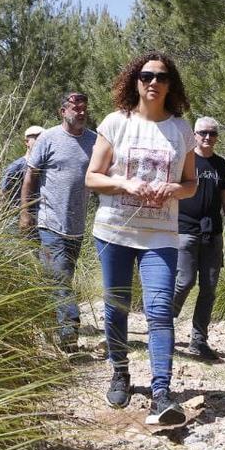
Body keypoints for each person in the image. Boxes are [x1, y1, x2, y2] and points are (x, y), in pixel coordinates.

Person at [86, 53, 197, 426]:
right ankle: (120, 371)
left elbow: (191, 184)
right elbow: (92, 177)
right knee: (116, 307)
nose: (153, 82)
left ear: (171, 84)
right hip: (114, 232)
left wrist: (172, 189)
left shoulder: (182, 131)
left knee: (160, 310)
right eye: (146, 75)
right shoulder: (116, 123)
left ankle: (162, 393)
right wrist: (123, 182)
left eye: (161, 77)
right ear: (135, 80)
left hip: (161, 236)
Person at [21, 94, 95, 352]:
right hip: (49, 223)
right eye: (75, 108)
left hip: (77, 227)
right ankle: (69, 335)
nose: (81, 112)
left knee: (60, 281)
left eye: (84, 108)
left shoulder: (93, 141)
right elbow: (30, 176)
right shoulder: (48, 138)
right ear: (62, 111)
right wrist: (25, 212)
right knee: (59, 280)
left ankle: (52, 332)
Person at [171, 116, 225, 361]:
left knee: (209, 288)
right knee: (185, 281)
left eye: (212, 133)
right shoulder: (185, 159)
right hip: (185, 231)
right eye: (202, 133)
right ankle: (164, 327)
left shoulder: (221, 165)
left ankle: (199, 340)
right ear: (194, 135)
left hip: (213, 234)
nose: (207, 137)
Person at [1, 124, 45, 211]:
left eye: (44, 139)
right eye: (37, 139)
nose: (41, 142)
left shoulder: (45, 165)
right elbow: (5, 192)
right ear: (26, 142)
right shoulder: (16, 167)